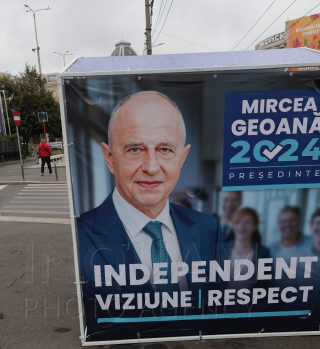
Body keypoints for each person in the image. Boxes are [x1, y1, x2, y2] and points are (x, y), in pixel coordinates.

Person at [75, 90, 223, 319]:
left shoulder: (208, 228)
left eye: (165, 149)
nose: (152, 167)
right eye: (135, 149)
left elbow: (215, 308)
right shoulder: (80, 235)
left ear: (182, 158)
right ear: (110, 158)